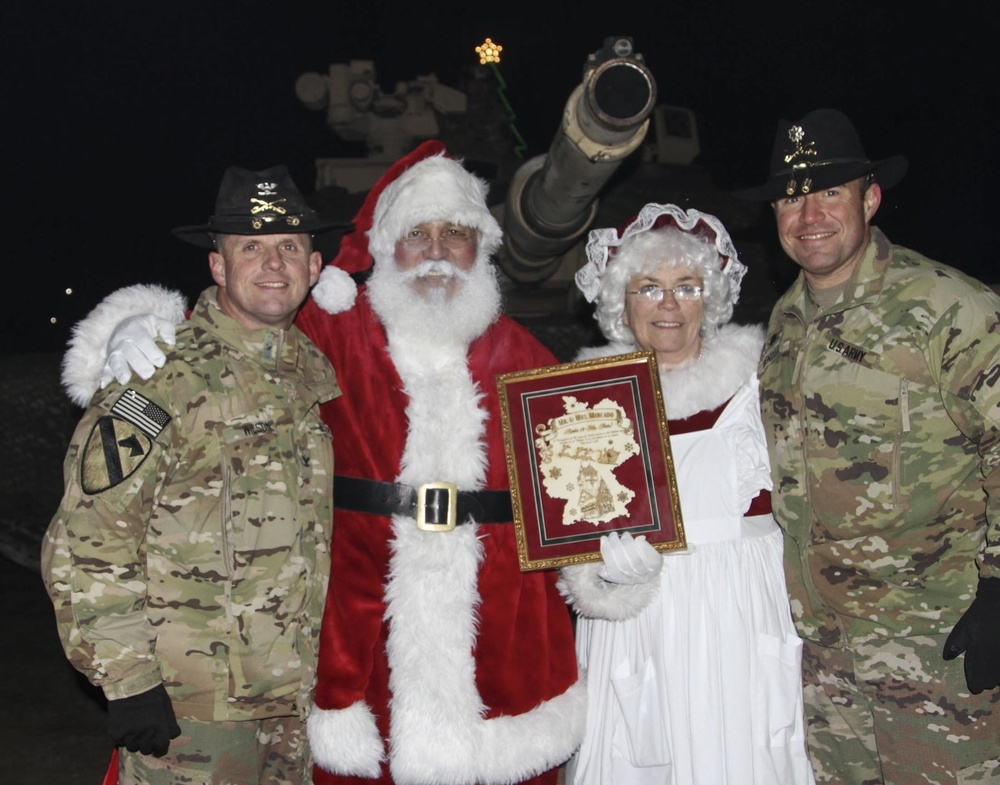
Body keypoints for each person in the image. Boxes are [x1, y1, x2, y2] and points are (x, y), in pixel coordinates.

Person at [59, 140, 586, 785]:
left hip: (480, 659)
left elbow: (585, 492)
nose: (438, 250)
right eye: (416, 233)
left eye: (457, 232)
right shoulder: (329, 337)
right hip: (285, 675)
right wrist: (140, 322)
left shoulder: (315, 363)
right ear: (385, 247)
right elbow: (89, 539)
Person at [42, 165, 342, 784]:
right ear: (217, 266)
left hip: (286, 697)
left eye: (289, 247)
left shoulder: (308, 375)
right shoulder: (162, 375)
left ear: (314, 269)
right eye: (250, 247)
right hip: (193, 705)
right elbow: (87, 537)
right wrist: (127, 681)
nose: (272, 264)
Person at [734, 107, 1000, 783]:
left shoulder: (949, 308)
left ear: (870, 198)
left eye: (829, 190)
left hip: (937, 645)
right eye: (792, 197)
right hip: (829, 658)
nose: (809, 214)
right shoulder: (785, 324)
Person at [557, 202, 815, 784]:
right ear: (620, 302)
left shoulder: (761, 383)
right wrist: (598, 569)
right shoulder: (585, 403)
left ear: (713, 296)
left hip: (738, 615)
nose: (669, 305)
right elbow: (566, 523)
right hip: (638, 617)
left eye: (687, 286)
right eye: (649, 287)